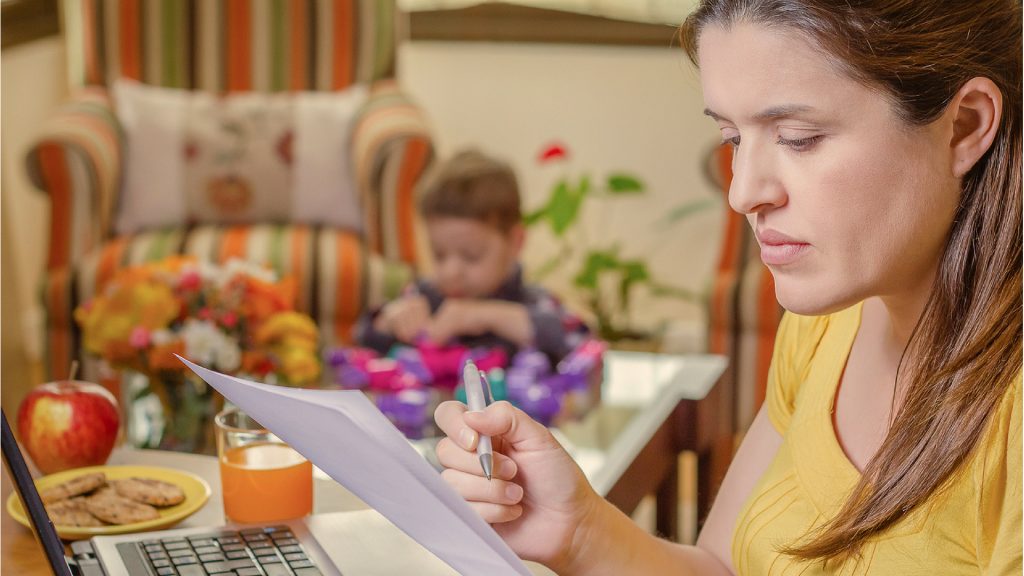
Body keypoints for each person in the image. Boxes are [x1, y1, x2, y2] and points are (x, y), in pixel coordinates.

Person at [433, 1, 1022, 574]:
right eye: (734, 139)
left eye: (798, 137)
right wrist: (579, 530)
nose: (743, 194)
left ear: (964, 124)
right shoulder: (825, 328)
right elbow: (720, 567)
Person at [355, 149, 589, 364]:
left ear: (515, 242)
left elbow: (578, 338)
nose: (451, 271)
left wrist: (485, 316)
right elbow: (364, 336)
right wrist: (389, 321)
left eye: (471, 256)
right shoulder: (425, 297)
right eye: (439, 255)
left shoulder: (533, 302)